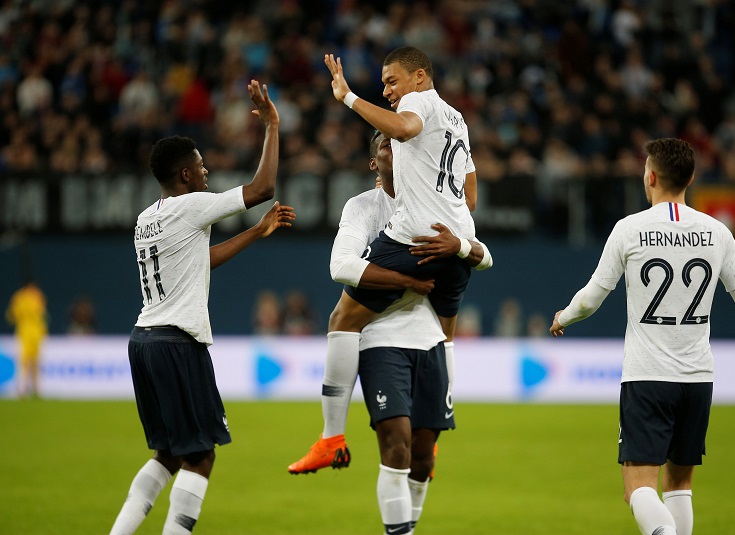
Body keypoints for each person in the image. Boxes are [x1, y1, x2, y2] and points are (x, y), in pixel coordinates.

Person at [548, 138, 735, 535]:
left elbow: (593, 299)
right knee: (679, 485)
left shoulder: (629, 229)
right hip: (698, 379)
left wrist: (564, 316)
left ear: (650, 176)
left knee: (637, 488)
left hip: (648, 376)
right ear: (692, 178)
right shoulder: (717, 232)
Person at [109, 79, 295, 535]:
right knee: (201, 455)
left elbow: (201, 260)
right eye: (201, 167)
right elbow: (263, 186)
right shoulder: (189, 206)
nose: (207, 172)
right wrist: (272, 125)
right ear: (186, 177)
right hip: (176, 343)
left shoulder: (147, 219)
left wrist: (255, 232)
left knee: (169, 454)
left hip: (144, 341)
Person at [295, 46, 480, 472]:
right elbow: (469, 195)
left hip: (413, 238)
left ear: (419, 76)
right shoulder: (457, 119)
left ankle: (331, 439)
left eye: (391, 81)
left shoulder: (418, 103)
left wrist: (347, 96)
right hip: (454, 244)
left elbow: (402, 127)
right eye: (382, 84)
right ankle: (431, 438)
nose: (387, 90)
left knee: (343, 319)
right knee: (444, 336)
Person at [5, 278, 47, 399]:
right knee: (24, 360)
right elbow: (12, 315)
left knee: (35, 361)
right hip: (25, 331)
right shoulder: (22, 297)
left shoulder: (35, 296)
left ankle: (35, 388)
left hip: (35, 332)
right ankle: (23, 388)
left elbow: (10, 316)